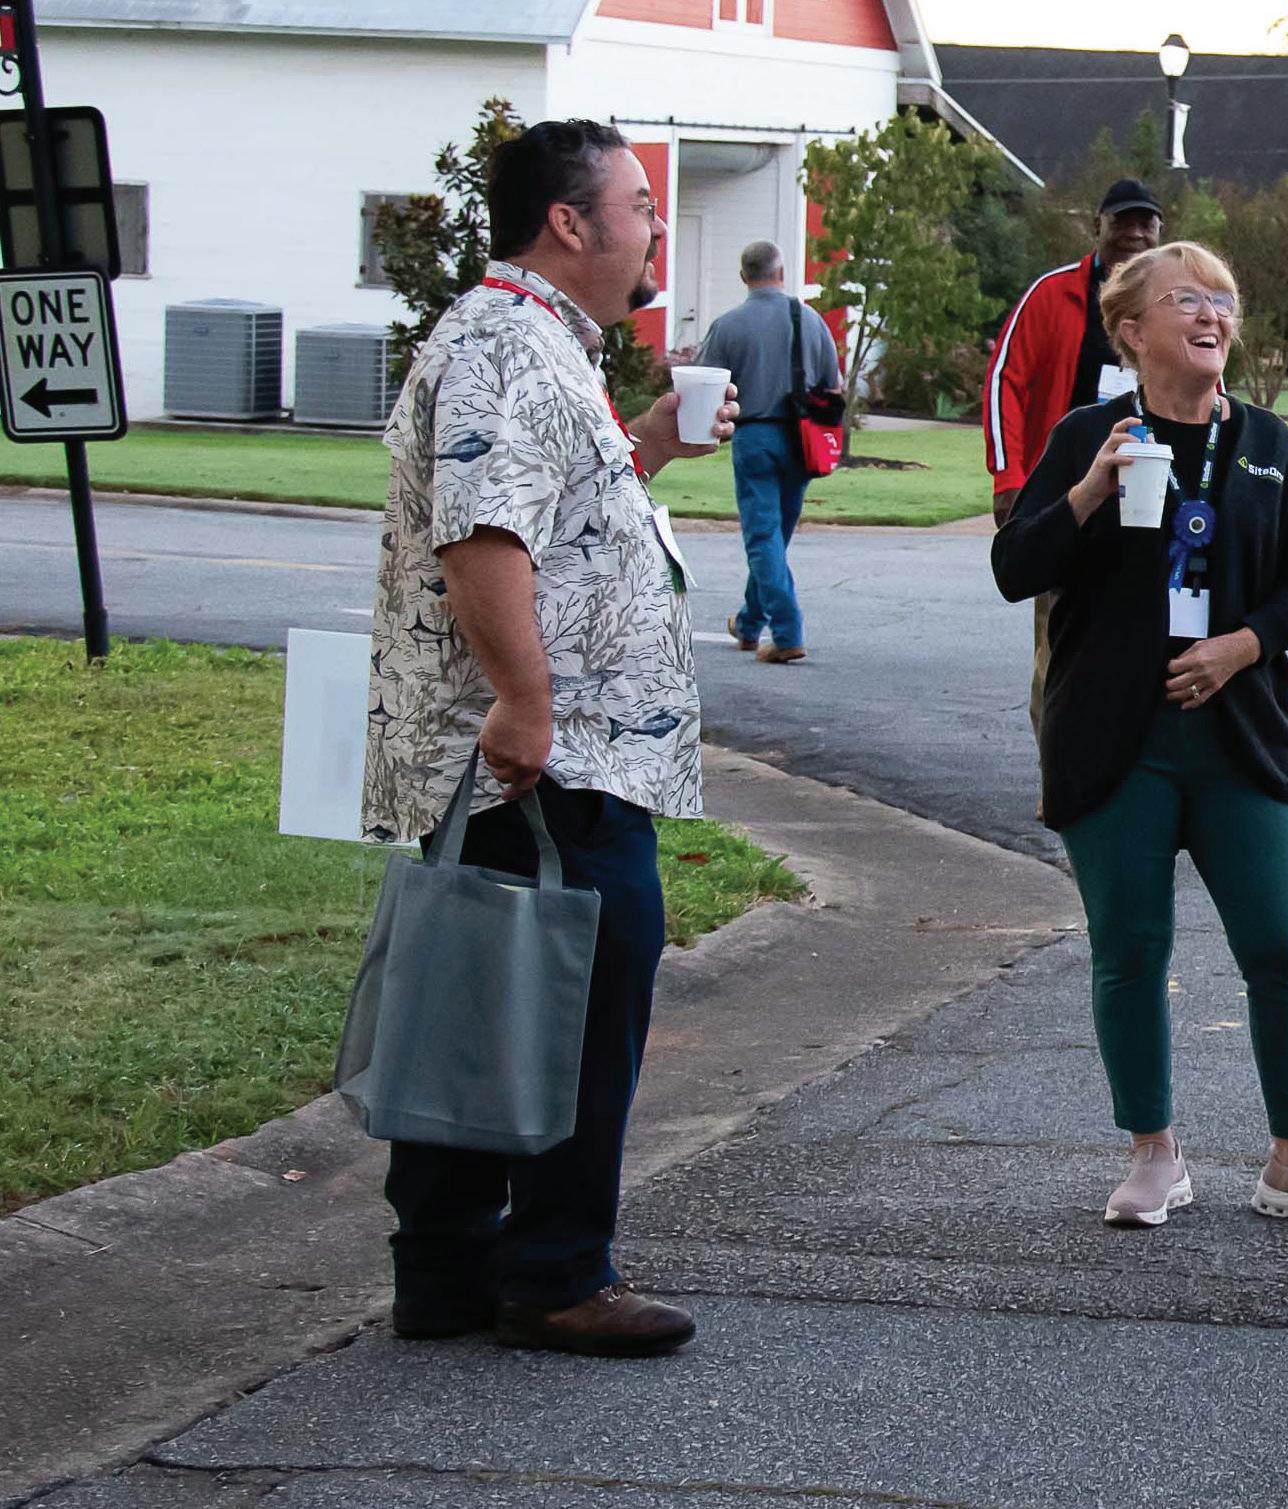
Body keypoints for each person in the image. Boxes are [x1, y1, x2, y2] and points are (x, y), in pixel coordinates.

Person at [362, 119, 739, 1358]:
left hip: (550, 754)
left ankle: (448, 1275)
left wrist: (651, 446)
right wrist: (523, 703)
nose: (654, 230)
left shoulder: (531, 342)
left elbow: (549, 518)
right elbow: (483, 536)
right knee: (578, 998)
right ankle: (556, 1273)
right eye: (638, 207)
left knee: (479, 996)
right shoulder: (507, 344)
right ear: (569, 223)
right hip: (551, 758)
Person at [993, 242, 1288, 1233]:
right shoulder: (1088, 436)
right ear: (1130, 332)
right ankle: (1153, 1155)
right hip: (1112, 740)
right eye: (1187, 299)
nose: (1213, 313)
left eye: (1223, 298)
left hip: (1240, 737)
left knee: (1280, 951)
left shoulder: (1264, 441)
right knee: (1129, 950)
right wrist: (1089, 490)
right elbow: (1014, 568)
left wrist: (1243, 645)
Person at [983, 179, 1163, 738]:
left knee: (1148, 633)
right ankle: (1057, 765)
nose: (1134, 233)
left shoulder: (1174, 303)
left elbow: (1209, 387)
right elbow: (1005, 381)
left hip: (1150, 493)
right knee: (1057, 640)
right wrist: (1009, 476)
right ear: (1097, 226)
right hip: (1070, 493)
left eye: (1146, 223)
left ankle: (1131, 759)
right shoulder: (1052, 293)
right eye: (1122, 221)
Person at [697, 239, 843, 665]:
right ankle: (748, 623)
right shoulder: (811, 320)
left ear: (744, 276)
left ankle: (787, 633)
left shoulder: (728, 326)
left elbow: (704, 385)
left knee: (763, 537)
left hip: (754, 436)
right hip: (802, 439)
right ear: (781, 273)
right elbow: (833, 386)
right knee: (776, 537)